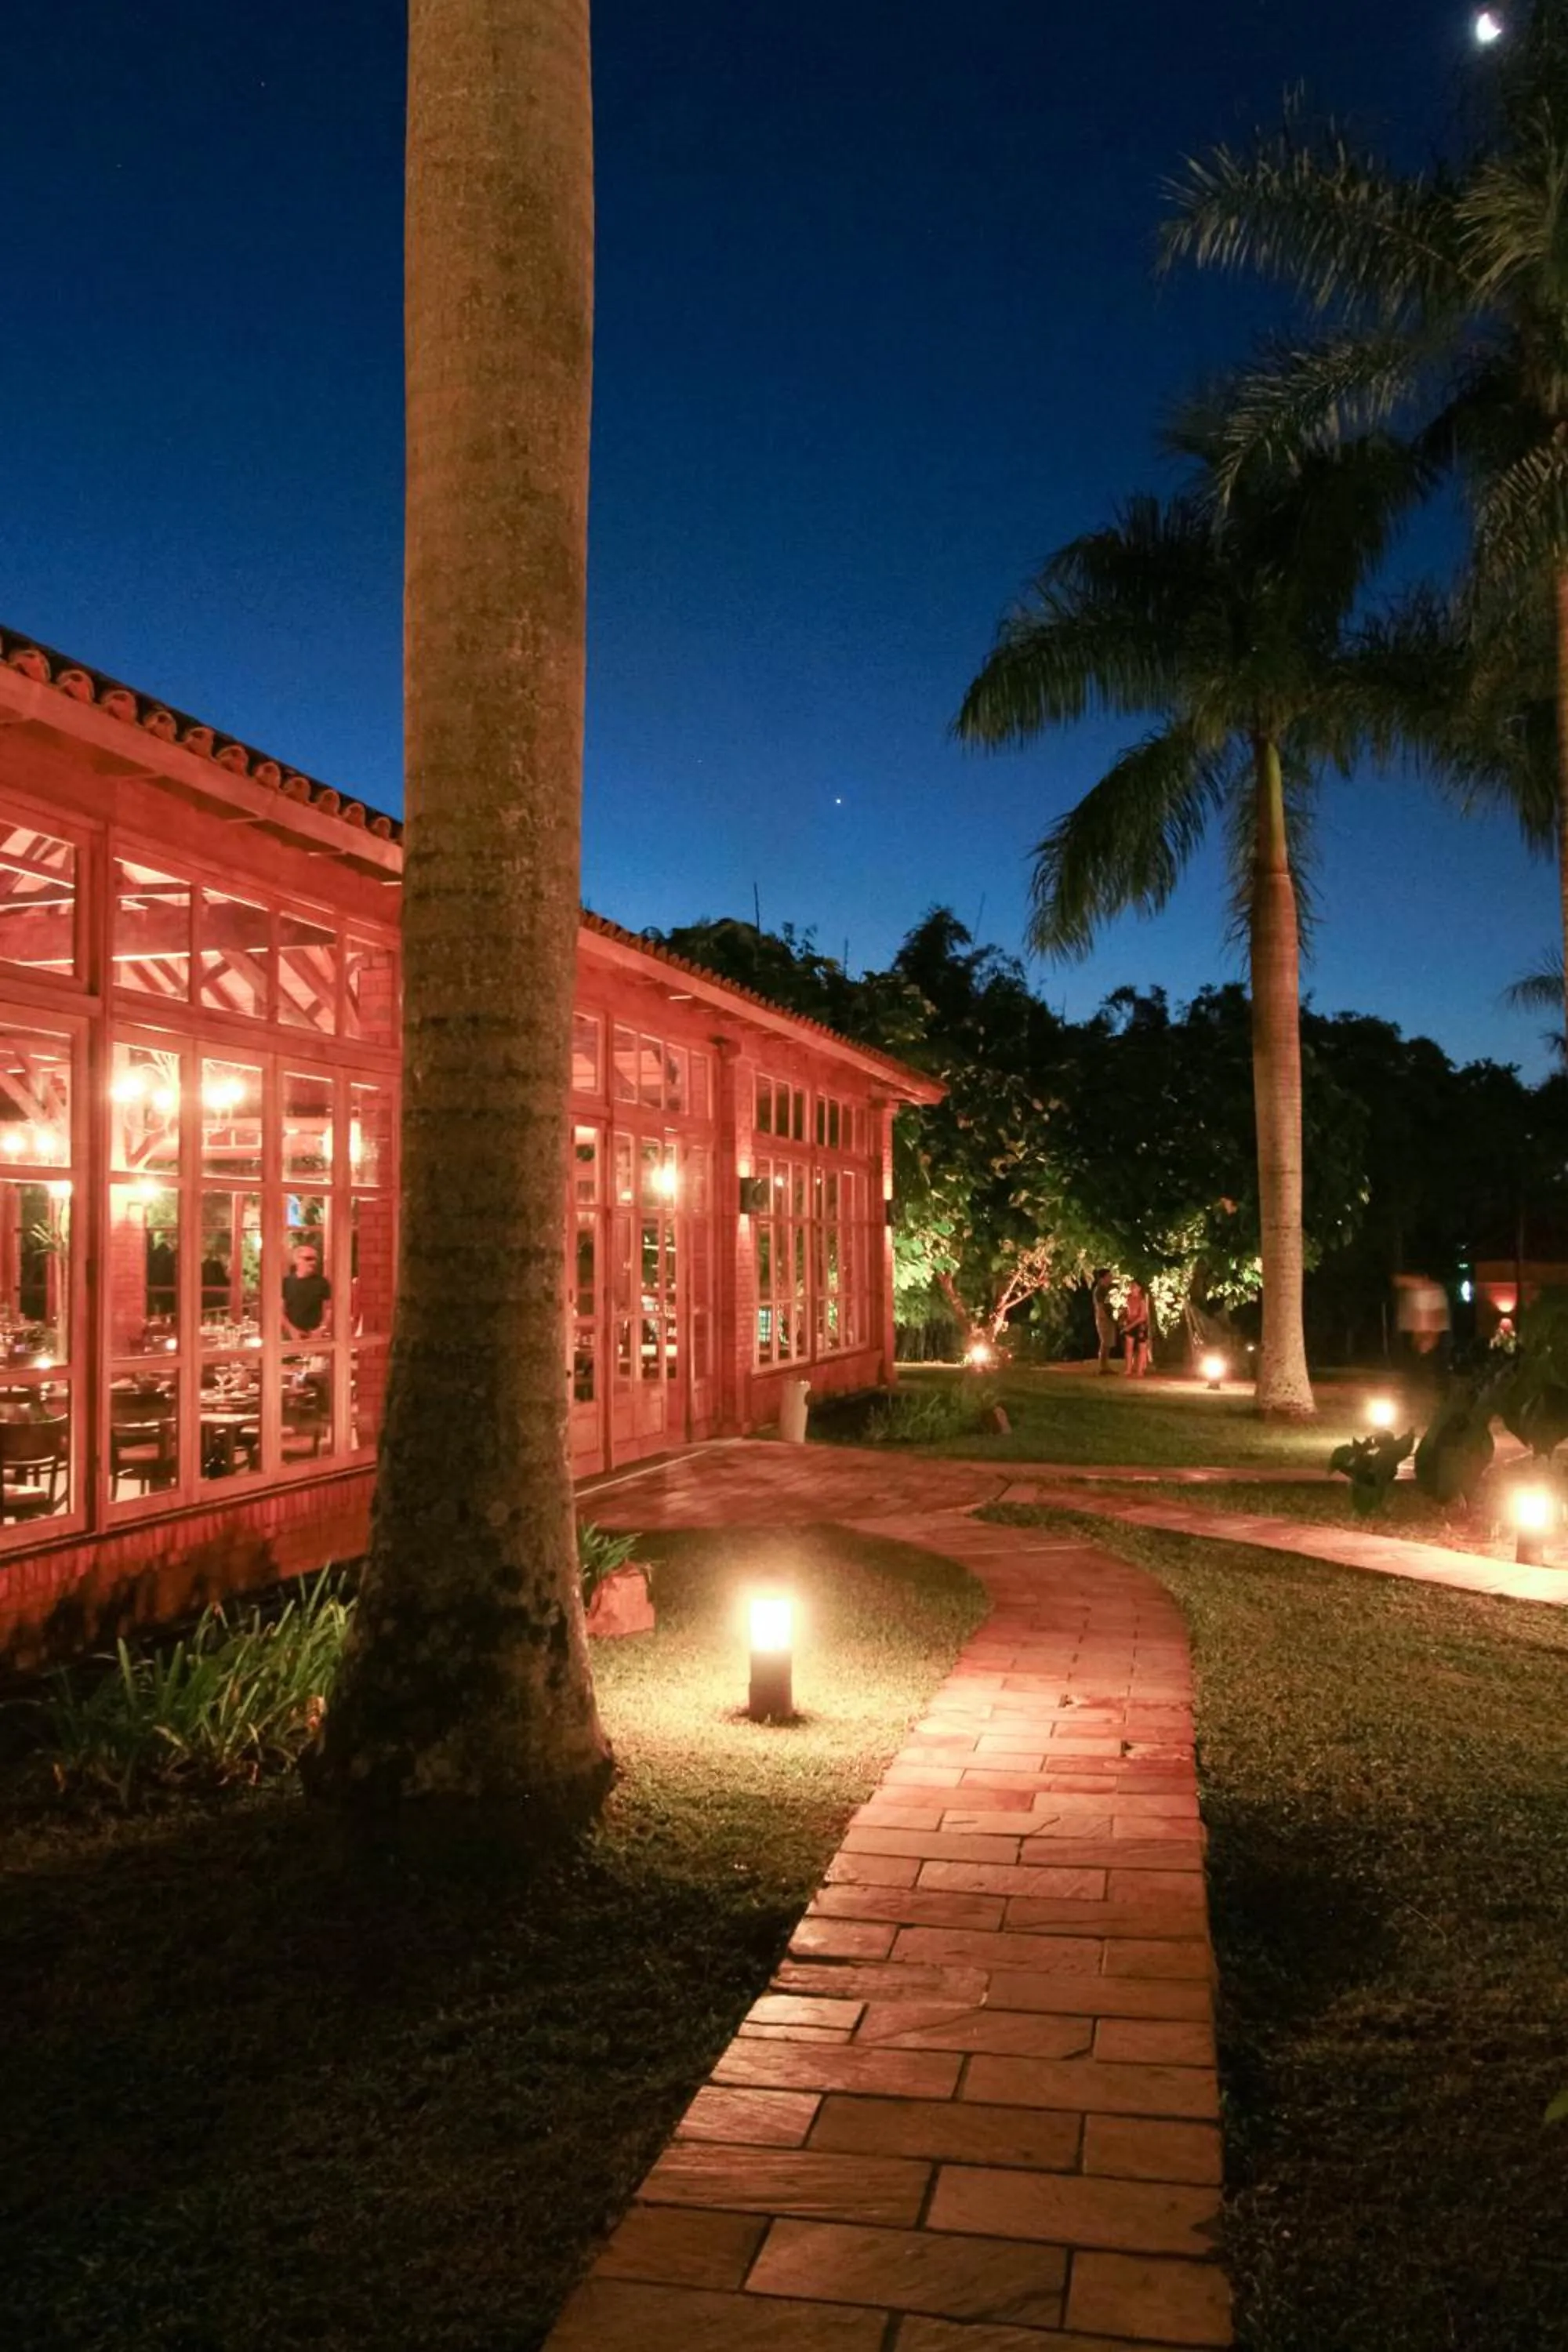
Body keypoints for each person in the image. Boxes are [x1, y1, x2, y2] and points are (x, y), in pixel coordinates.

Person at [281, 1236, 332, 1338]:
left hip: (315, 1335)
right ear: (297, 1260)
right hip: (291, 1337)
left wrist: (321, 1329)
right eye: (308, 1258)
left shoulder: (322, 1283)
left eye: (315, 1259)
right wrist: (292, 1330)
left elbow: (329, 1309)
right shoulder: (286, 1283)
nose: (313, 1263)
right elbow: (279, 1311)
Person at [1120, 1277, 1150, 1379]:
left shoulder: (1142, 1300)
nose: (1132, 1288)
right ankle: (1128, 1369)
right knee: (1129, 1347)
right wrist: (1125, 1322)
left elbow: (1142, 1317)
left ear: (1139, 1288)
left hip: (1140, 1324)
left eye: (1134, 1287)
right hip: (1130, 1323)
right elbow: (1127, 1312)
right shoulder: (1128, 1298)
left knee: (1142, 1347)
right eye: (1131, 1286)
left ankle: (1140, 1370)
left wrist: (1130, 1326)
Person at [1091, 1268, 1118, 1375]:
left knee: (1108, 1342)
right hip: (1104, 1318)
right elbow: (1100, 1305)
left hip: (1108, 1318)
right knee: (1105, 1342)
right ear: (1103, 1278)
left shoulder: (1106, 1289)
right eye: (1109, 1276)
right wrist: (1103, 1317)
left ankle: (1106, 1366)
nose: (1111, 1278)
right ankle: (1103, 1367)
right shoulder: (1100, 1290)